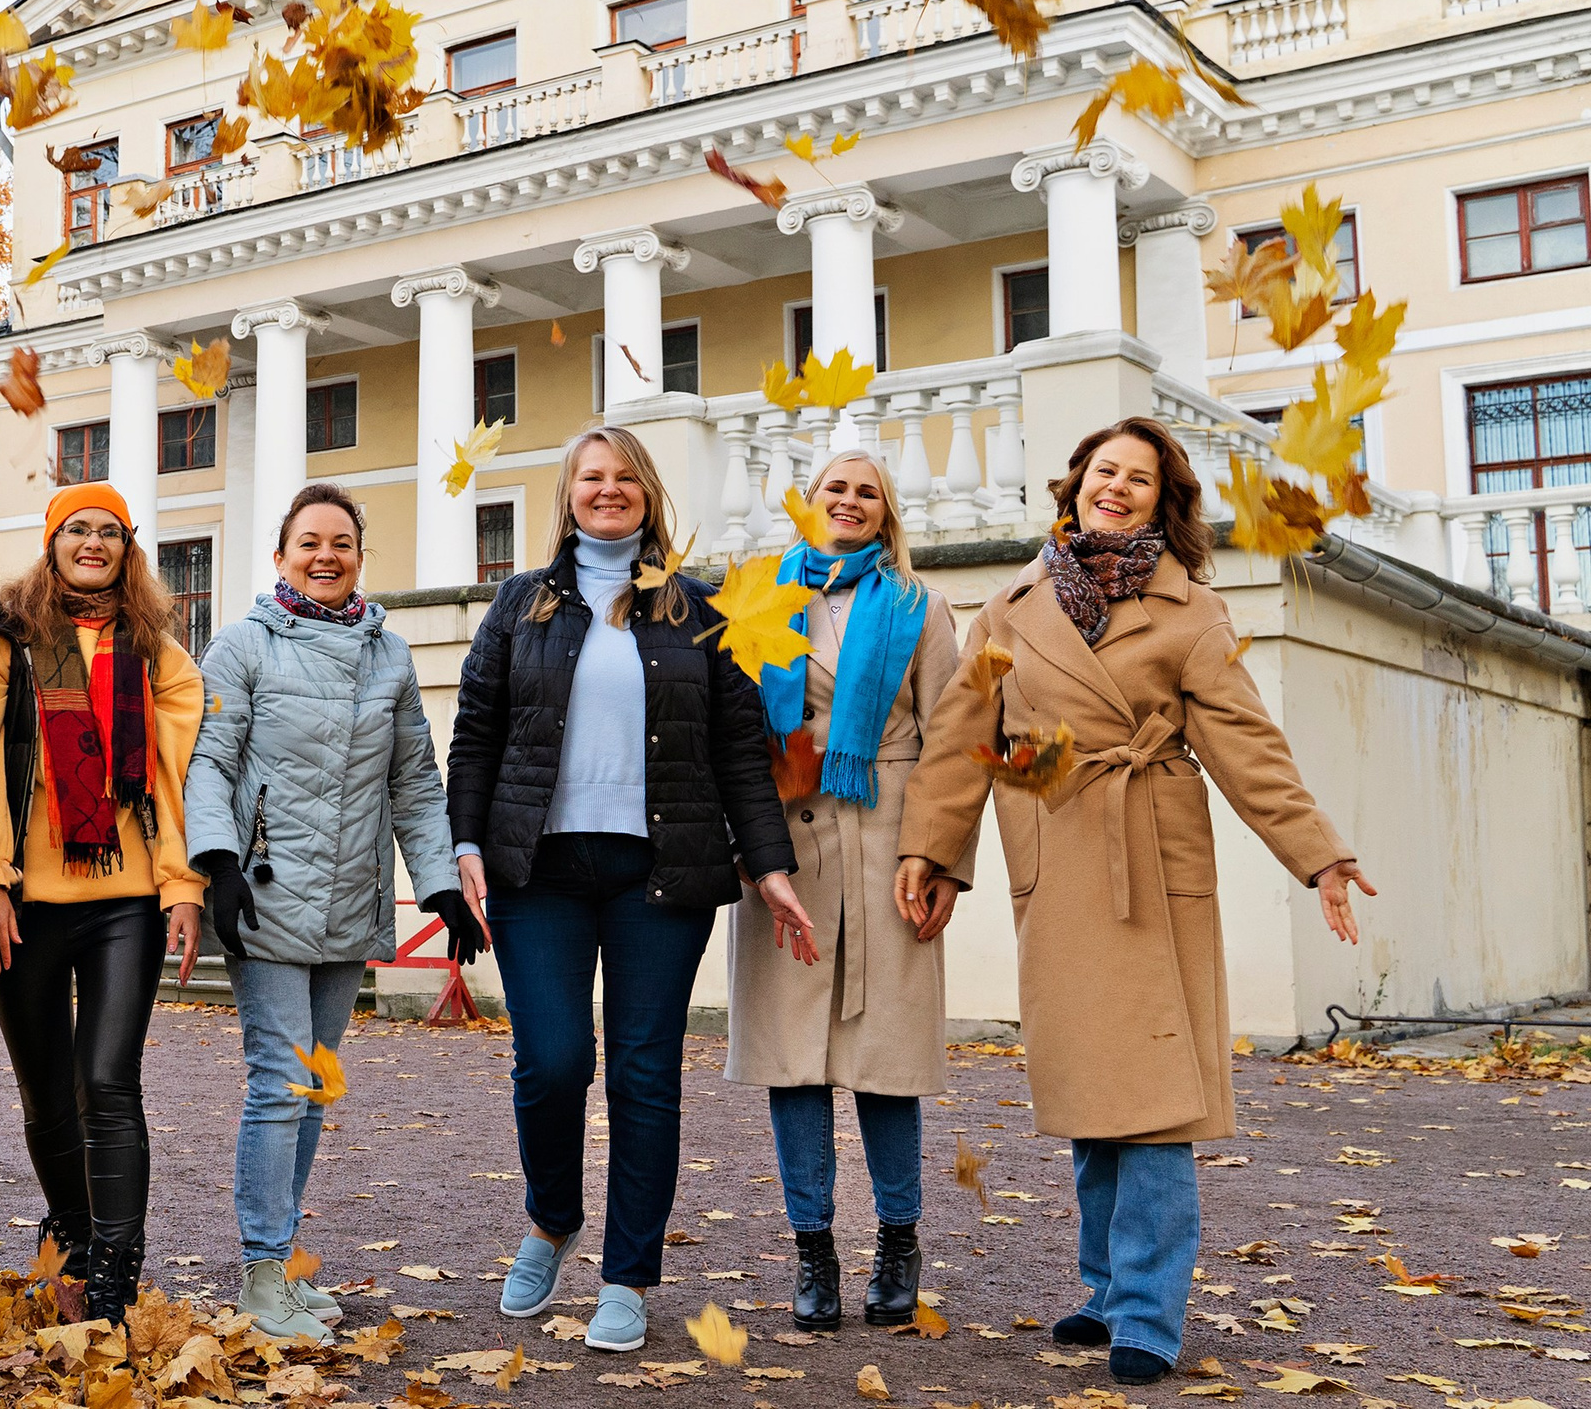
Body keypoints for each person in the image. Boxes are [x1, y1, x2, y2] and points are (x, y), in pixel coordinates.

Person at [896, 416, 1378, 1388]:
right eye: (1104, 472)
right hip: (1061, 853)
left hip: (1151, 855)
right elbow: (961, 741)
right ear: (1074, 485)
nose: (1117, 489)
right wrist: (933, 853)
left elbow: (1245, 743)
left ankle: (1149, 1311)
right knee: (1091, 1089)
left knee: (1155, 1097)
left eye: (1140, 481)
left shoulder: (1189, 611)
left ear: (1165, 503)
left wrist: (1318, 854)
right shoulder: (1007, 607)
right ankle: (1108, 1287)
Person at [447, 426, 814, 1354]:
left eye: (623, 479)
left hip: (665, 871)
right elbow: (477, 730)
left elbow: (738, 748)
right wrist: (464, 842)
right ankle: (550, 1219)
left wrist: (769, 867)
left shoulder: (698, 608)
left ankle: (627, 1275)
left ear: (648, 494)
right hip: (540, 869)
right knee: (554, 1061)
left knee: (644, 1074)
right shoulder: (519, 605)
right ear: (568, 495)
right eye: (589, 478)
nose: (607, 491)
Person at [184, 481, 483, 1341]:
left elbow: (415, 783)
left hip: (348, 904)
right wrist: (216, 863)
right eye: (308, 542)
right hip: (266, 895)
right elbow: (209, 761)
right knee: (279, 1084)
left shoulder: (387, 656)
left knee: (314, 1087)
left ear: (359, 557)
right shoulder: (240, 647)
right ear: (280, 556)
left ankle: (279, 1259)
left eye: (341, 543)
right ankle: (260, 1274)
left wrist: (438, 885)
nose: (326, 555)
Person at [726, 450, 965, 1333]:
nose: (851, 501)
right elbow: (731, 732)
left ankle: (899, 1243)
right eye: (837, 488)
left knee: (885, 1060)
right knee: (795, 1060)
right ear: (809, 505)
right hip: (785, 847)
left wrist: (940, 857)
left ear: (887, 512)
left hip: (889, 845)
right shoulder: (760, 602)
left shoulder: (921, 607)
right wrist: (747, 851)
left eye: (868, 491)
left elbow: (954, 740)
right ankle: (813, 1253)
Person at [0, 482, 207, 1324]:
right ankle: (69, 1226)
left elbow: (174, 785)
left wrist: (182, 887)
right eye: (78, 529)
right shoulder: (4, 642)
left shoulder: (159, 652)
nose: (93, 542)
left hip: (126, 900)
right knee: (45, 1092)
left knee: (108, 1081)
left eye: (110, 531)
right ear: (52, 541)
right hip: (24, 900)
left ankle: (113, 1272)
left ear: (128, 548)